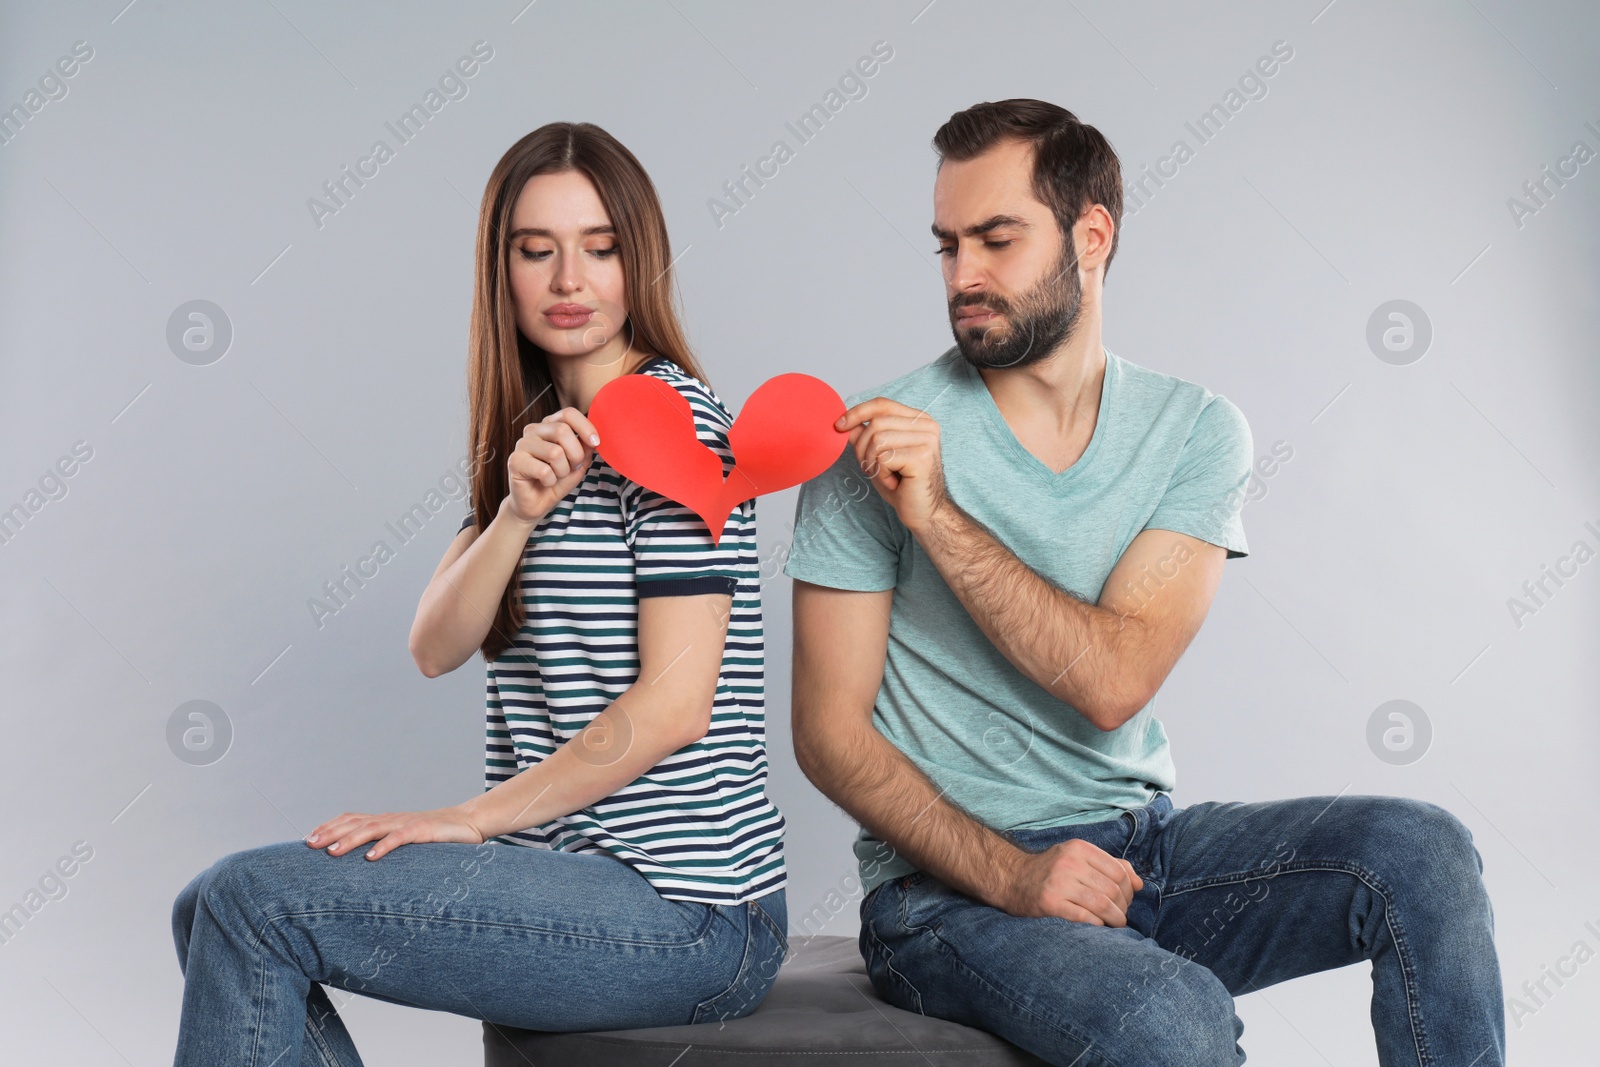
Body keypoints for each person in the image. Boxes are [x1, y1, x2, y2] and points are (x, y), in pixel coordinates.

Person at [783, 99, 1502, 1067]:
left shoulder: (1193, 431)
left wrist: (942, 520)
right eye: (946, 246)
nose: (962, 277)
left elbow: (1112, 676)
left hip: (1143, 856)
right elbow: (827, 735)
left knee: (1423, 854)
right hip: (946, 896)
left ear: (1091, 235)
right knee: (1173, 1016)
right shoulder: (870, 443)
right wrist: (1013, 873)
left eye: (996, 239)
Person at [169, 122, 788, 1066]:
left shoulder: (679, 428)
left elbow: (674, 704)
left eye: (600, 249)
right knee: (208, 901)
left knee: (254, 903)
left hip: (688, 909)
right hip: (571, 876)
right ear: (501, 271)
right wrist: (515, 513)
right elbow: (436, 643)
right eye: (536, 251)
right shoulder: (535, 432)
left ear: (642, 262)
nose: (569, 281)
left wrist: (469, 818)